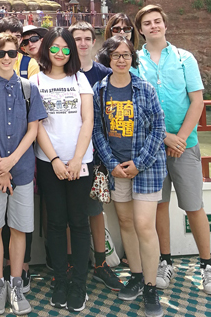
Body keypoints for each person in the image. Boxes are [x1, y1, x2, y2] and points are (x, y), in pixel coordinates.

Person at [134, 4, 210, 294]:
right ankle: (165, 261)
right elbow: (138, 106)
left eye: (158, 21)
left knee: (194, 206)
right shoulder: (135, 62)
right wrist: (166, 137)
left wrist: (181, 137)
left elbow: (197, 100)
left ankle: (207, 265)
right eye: (147, 23)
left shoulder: (184, 58)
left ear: (165, 25)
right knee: (159, 206)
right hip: (152, 147)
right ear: (140, 30)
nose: (154, 26)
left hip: (186, 145)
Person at [0, 33, 46, 316]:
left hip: (23, 169)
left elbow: (33, 130)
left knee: (18, 229)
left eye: (11, 54)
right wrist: (0, 166)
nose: (6, 58)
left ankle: (16, 284)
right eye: (0, 54)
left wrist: (11, 162)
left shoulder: (30, 89)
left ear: (19, 55)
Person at [93, 36, 166, 317]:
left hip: (145, 167)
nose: (121, 59)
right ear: (108, 59)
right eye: (116, 55)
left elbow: (159, 128)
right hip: (116, 168)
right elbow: (98, 130)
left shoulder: (144, 88)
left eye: (126, 55)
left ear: (132, 58)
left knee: (144, 225)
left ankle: (150, 286)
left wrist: (140, 162)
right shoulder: (101, 90)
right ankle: (136, 275)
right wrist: (112, 163)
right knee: (125, 221)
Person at [31, 28, 94, 313]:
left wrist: (77, 159)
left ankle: (79, 283)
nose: (60, 53)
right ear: (47, 50)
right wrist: (55, 159)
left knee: (79, 223)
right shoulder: (35, 81)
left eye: (65, 48)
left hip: (81, 162)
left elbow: (88, 120)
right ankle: (60, 279)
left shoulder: (79, 79)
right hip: (49, 163)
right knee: (56, 223)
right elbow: (38, 125)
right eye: (54, 48)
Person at [68, 21, 122, 292]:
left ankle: (100, 263)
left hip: (97, 152)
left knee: (94, 209)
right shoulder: (61, 71)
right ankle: (67, 263)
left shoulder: (103, 73)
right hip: (66, 152)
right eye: (77, 38)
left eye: (87, 38)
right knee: (64, 211)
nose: (82, 43)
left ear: (93, 40)